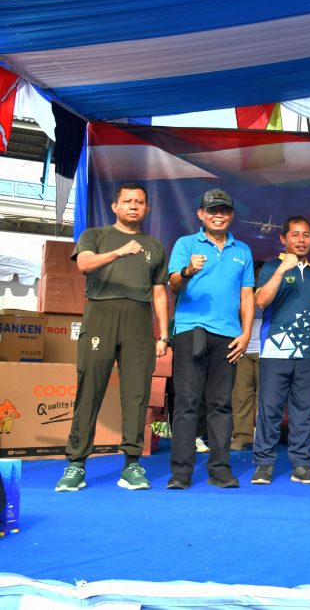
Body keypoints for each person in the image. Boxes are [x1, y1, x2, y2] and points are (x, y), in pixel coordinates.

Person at [55, 183, 170, 492]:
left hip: (139, 320)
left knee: (137, 393)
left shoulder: (155, 246)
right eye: (127, 201)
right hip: (100, 315)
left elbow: (159, 292)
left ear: (147, 209)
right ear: (114, 206)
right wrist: (119, 251)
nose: (133, 205)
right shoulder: (95, 235)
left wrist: (163, 335)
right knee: (89, 389)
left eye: (139, 202)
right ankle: (76, 464)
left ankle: (132, 464)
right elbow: (83, 264)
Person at [165, 189, 255, 490]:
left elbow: (247, 295)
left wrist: (246, 333)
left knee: (221, 404)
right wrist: (188, 270)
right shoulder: (186, 244)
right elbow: (173, 284)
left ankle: (220, 469)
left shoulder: (242, 251)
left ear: (231, 215)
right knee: (187, 402)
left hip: (228, 335)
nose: (219, 215)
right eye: (212, 210)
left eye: (224, 210)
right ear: (201, 214)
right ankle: (181, 472)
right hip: (191, 330)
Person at [250, 216, 310, 485]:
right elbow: (261, 301)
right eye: (295, 235)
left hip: (308, 355)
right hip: (276, 352)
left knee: (304, 412)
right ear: (283, 238)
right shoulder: (272, 267)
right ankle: (264, 464)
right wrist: (282, 270)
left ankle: (301, 465)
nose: (301, 240)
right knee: (270, 410)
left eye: (306, 235)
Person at [230, 260, 265, 451]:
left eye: (262, 275)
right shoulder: (240, 294)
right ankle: (242, 436)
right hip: (242, 350)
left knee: (264, 397)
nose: (258, 279)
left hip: (265, 350)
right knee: (241, 395)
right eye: (256, 275)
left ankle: (262, 437)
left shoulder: (271, 294)